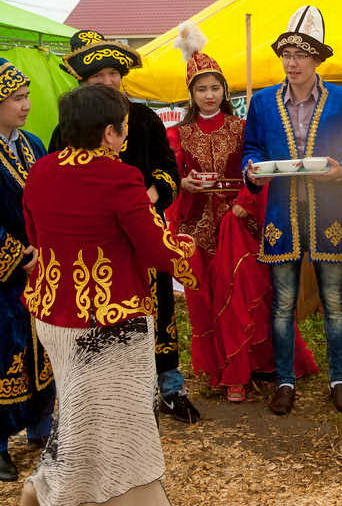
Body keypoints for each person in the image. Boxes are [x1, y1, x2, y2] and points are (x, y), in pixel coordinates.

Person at [19, 84, 197, 506]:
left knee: (80, 414)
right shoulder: (119, 178)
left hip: (53, 316)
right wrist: (193, 258)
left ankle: (51, 487)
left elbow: (34, 234)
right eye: (124, 129)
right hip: (109, 324)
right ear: (108, 134)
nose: (126, 137)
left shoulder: (41, 170)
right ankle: (79, 495)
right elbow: (157, 248)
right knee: (121, 421)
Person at [53, 29, 200, 423]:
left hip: (144, 228)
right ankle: (117, 399)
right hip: (96, 243)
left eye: (114, 74)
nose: (108, 82)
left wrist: (147, 199)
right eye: (98, 76)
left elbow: (167, 169)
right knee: (105, 316)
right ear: (83, 83)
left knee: (159, 306)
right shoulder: (66, 128)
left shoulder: (145, 118)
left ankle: (170, 387)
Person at [167, 22, 317, 401]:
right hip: (198, 225)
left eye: (215, 87)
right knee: (208, 299)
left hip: (239, 221)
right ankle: (222, 370)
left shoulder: (241, 127)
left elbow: (257, 171)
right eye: (201, 89)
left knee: (245, 292)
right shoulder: (178, 135)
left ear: (225, 90)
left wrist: (244, 205)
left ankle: (249, 369)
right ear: (191, 94)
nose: (209, 95)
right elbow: (174, 177)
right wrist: (185, 185)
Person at [242, 5, 342, 415]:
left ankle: (339, 379)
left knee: (334, 300)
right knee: (283, 303)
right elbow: (253, 149)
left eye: (300, 55)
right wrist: (253, 171)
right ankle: (284, 381)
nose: (291, 63)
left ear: (317, 58)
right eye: (286, 55)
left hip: (329, 212)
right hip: (281, 213)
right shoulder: (262, 103)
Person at [0, 59, 54, 483]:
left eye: (27, 96)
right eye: (17, 98)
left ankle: (40, 427)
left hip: (42, 268)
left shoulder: (33, 144)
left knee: (44, 346)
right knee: (4, 350)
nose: (26, 105)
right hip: (6, 273)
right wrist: (17, 253)